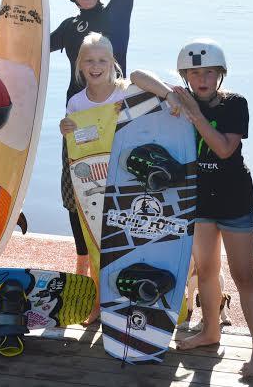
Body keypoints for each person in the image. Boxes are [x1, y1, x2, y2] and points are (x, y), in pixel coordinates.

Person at [129, 39, 253, 378]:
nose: (201, 79)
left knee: (244, 275)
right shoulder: (178, 98)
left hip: (234, 199)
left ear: (220, 75)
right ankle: (210, 331)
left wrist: (192, 111)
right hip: (199, 200)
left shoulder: (235, 104)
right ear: (184, 74)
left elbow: (222, 149)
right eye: (193, 72)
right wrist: (168, 95)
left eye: (208, 72)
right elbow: (135, 75)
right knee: (205, 270)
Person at [51, 0, 142, 277]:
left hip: (116, 112)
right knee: (77, 193)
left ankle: (119, 261)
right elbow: (31, 48)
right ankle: (83, 270)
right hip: (78, 115)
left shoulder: (117, 14)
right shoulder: (68, 27)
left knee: (117, 187)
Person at [58, 33, 180, 324]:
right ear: (80, 65)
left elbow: (141, 76)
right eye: (89, 60)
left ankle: (138, 298)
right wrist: (66, 128)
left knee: (129, 239)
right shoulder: (76, 102)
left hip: (129, 180)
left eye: (102, 60)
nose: (95, 66)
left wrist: (169, 95)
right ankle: (100, 301)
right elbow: (79, 144)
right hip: (94, 183)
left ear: (113, 62)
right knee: (99, 244)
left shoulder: (126, 91)